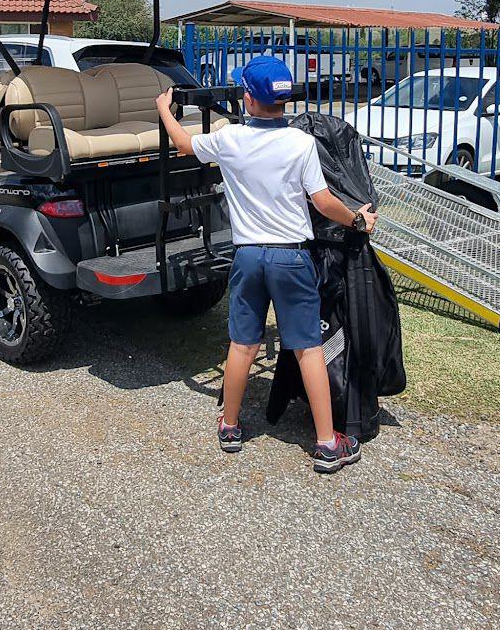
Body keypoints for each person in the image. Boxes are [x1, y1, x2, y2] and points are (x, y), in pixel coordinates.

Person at [156, 55, 378, 474]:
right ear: (283, 99)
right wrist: (357, 218)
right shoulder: (300, 143)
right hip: (292, 258)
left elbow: (184, 145)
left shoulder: (229, 139)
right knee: (307, 347)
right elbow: (323, 202)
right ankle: (329, 444)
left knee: (243, 344)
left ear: (248, 98)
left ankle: (231, 426)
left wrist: (165, 111)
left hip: (248, 256)